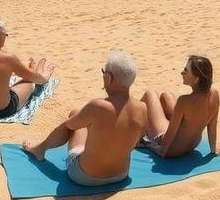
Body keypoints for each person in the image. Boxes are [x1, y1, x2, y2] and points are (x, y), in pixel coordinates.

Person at [23, 52, 147, 187]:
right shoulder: (142, 108)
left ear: (109, 78)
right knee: (88, 119)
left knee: (72, 120)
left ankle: (40, 149)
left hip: (86, 176)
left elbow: (70, 125)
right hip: (121, 175)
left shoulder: (98, 106)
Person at [140, 55, 220, 158]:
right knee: (166, 96)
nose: (182, 73)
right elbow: (212, 127)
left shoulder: (184, 101)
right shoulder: (214, 94)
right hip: (193, 145)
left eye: (186, 70)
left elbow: (170, 134)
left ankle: (130, 129)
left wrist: (161, 150)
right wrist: (213, 149)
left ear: (196, 79)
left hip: (173, 149)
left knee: (150, 94)